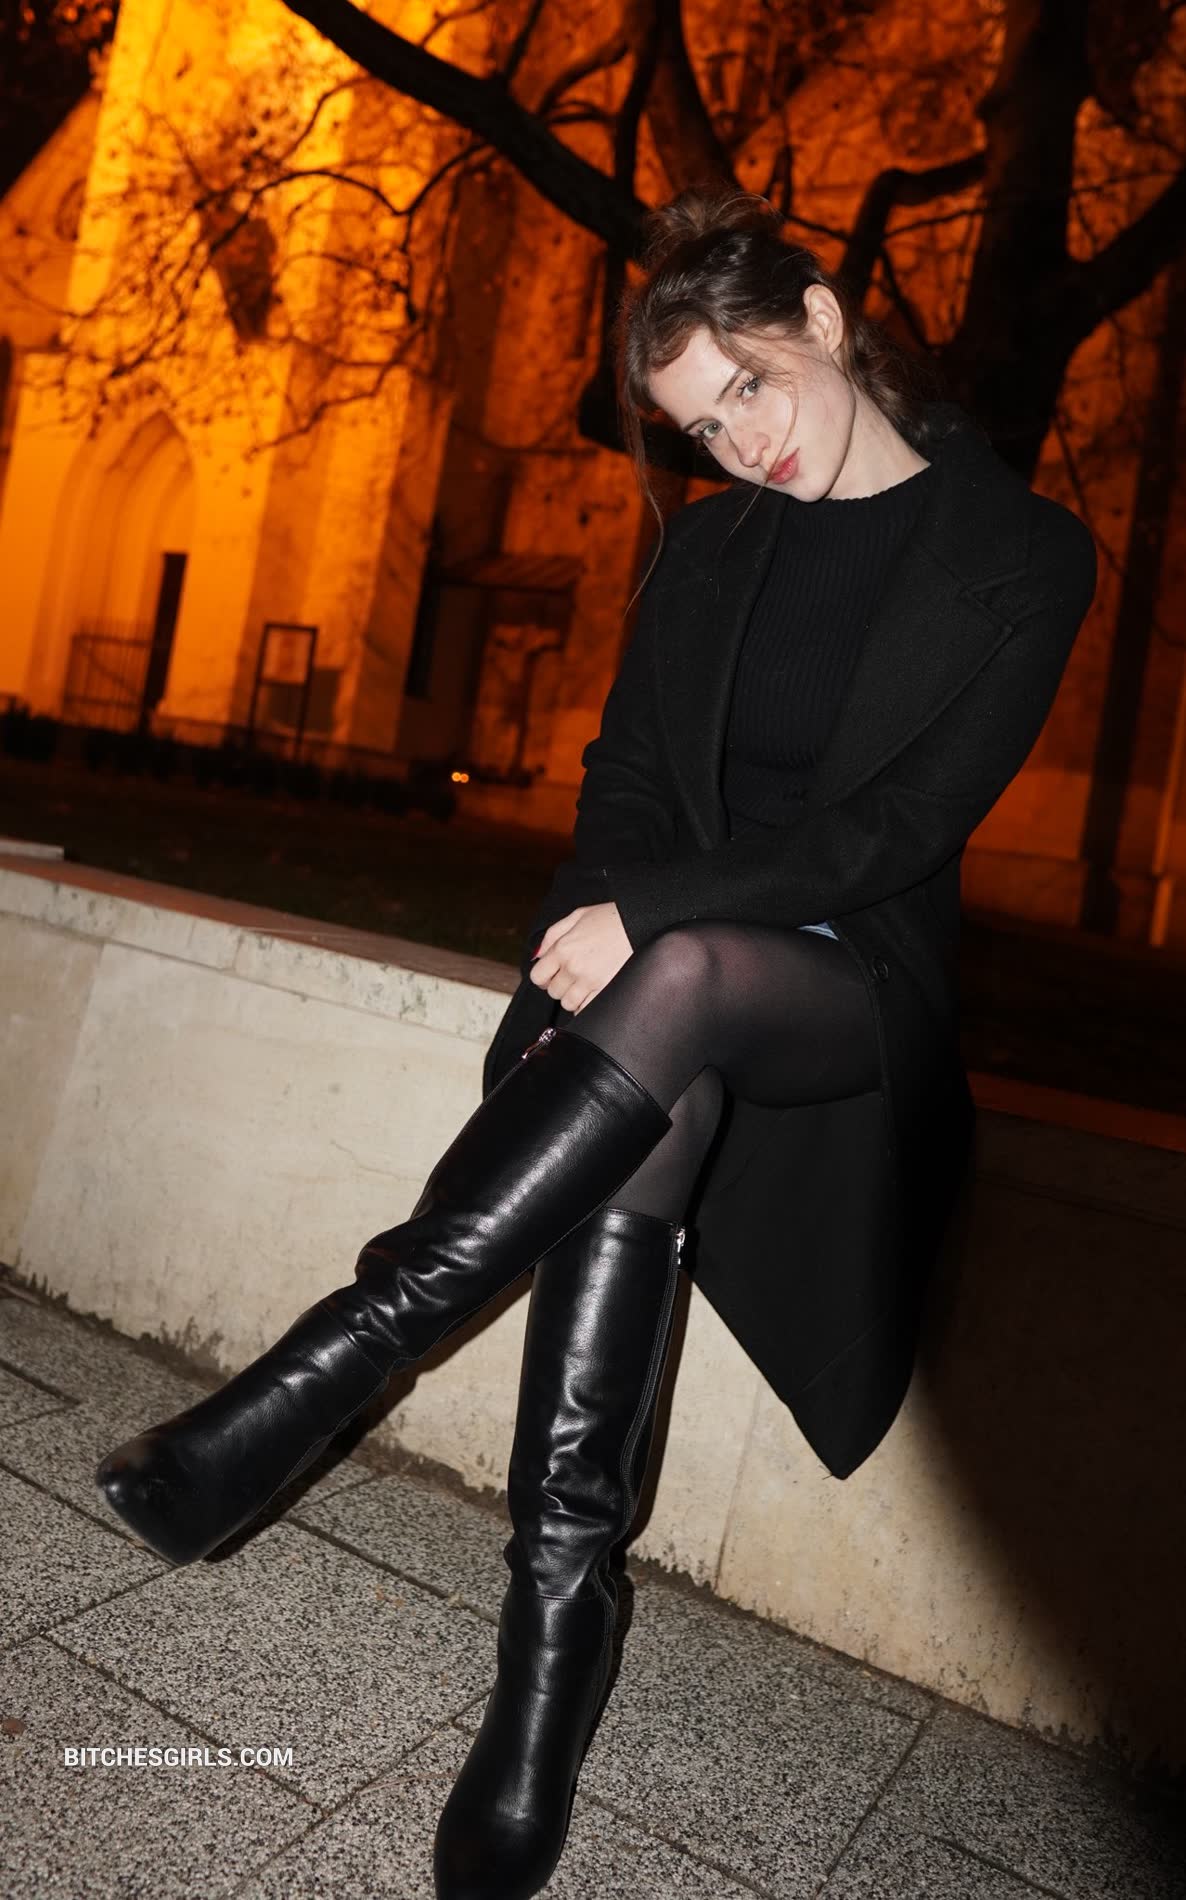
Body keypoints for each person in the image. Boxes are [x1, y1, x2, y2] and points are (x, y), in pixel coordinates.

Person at [92, 189, 1098, 1900]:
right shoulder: (705, 555)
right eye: (703, 429)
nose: (741, 447)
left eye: (751, 390)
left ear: (825, 321)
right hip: (670, 988)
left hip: (854, 987)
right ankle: (547, 1669)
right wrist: (595, 939)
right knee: (663, 1079)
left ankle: (314, 1380)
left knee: (687, 976)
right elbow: (621, 786)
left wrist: (653, 920)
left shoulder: (1019, 553)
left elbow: (896, 831)